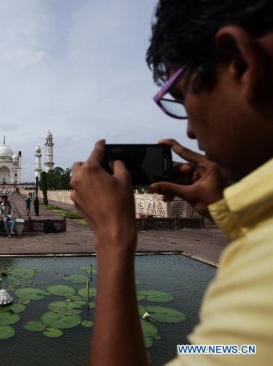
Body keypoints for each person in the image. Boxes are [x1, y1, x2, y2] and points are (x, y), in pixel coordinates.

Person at [71, 1, 273, 365]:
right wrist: (224, 212)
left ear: (241, 63)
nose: (190, 131)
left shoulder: (261, 283)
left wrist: (113, 237)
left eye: (181, 99)